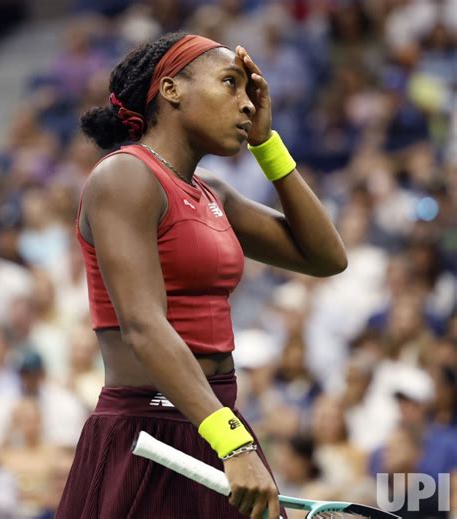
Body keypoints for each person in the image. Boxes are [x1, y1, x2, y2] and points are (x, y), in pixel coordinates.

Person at [56, 31, 347, 519]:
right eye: (230, 83)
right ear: (172, 90)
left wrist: (267, 145)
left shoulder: (214, 194)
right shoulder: (124, 176)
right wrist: (234, 446)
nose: (247, 104)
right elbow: (145, 326)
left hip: (213, 424)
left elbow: (326, 257)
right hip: (149, 433)